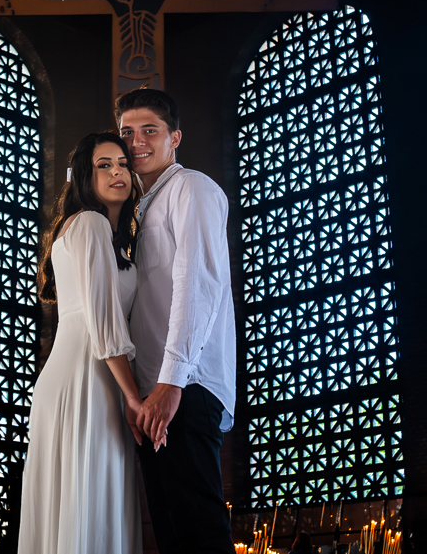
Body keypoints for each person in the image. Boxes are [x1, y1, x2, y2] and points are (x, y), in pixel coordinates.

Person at [17, 132, 149, 554]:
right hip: (85, 377)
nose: (117, 172)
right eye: (103, 165)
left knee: (91, 498)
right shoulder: (89, 222)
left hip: (98, 376)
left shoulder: (112, 240)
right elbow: (103, 320)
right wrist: (134, 397)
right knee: (90, 495)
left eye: (123, 164)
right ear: (84, 178)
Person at [117, 88, 236, 554]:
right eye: (127, 132)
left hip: (186, 385)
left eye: (150, 130)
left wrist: (171, 382)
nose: (137, 141)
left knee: (199, 533)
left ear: (175, 138)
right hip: (154, 393)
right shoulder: (140, 209)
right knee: (171, 536)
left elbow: (198, 283)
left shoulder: (192, 188)